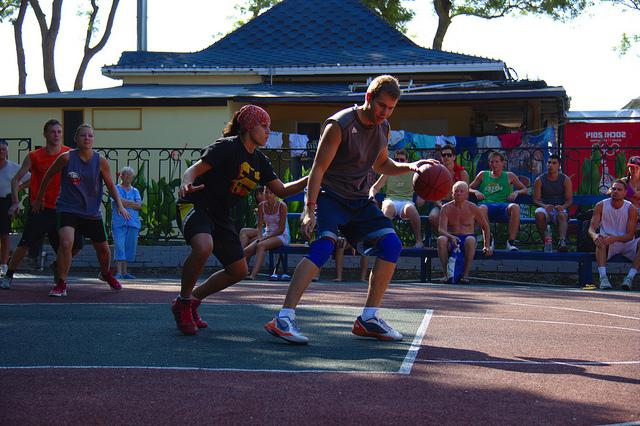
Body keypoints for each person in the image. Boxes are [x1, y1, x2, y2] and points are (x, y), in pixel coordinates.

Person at [264, 74, 430, 344]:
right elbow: (318, 169)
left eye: (390, 108)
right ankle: (284, 317)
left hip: (359, 199)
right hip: (330, 195)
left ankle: (369, 318)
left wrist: (411, 166)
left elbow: (381, 165)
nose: (384, 113)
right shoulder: (339, 125)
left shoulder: (383, 128)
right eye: (381, 106)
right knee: (325, 246)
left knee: (391, 245)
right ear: (368, 98)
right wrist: (309, 208)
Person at [174, 104, 307, 336]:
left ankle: (194, 299)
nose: (268, 131)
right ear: (247, 127)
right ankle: (183, 302)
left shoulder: (260, 161)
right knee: (204, 246)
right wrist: (186, 183)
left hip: (221, 215)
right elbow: (194, 170)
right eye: (263, 126)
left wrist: (313, 175)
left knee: (238, 270)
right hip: (196, 204)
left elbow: (282, 190)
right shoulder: (227, 147)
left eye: (270, 127)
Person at [33, 124, 131, 297]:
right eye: (83, 136)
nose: (87, 138)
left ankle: (105, 274)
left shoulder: (100, 161)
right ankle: (62, 283)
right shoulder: (66, 158)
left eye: (90, 136)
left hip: (91, 212)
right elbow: (47, 176)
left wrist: (120, 205)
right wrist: (39, 198)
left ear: (93, 139)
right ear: (76, 139)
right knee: (66, 243)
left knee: (103, 250)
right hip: (68, 209)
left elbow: (110, 185)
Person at [1, 120, 82, 290]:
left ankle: (56, 266)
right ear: (45, 134)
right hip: (41, 208)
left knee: (75, 245)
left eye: (59, 131)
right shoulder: (34, 156)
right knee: (25, 244)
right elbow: (16, 179)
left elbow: (78, 177)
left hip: (62, 209)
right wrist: (16, 201)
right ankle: (8, 275)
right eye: (53, 132)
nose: (57, 135)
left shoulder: (70, 154)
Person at [469, 151, 528, 251]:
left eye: (497, 162)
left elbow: (525, 189)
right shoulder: (483, 174)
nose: (494, 164)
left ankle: (510, 242)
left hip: (503, 207)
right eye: (492, 162)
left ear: (502, 163)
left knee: (515, 207)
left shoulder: (509, 176)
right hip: (487, 205)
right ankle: (488, 240)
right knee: (481, 208)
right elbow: (469, 188)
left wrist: (516, 193)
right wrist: (475, 191)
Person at [437, 181, 493, 284]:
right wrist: (451, 237)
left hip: (467, 238)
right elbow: (441, 229)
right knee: (441, 239)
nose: (458, 193)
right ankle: (446, 275)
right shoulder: (446, 208)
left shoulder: (472, 207)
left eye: (461, 191)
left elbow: (485, 226)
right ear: (452, 193)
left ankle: (465, 275)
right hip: (451, 239)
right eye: (456, 191)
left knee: (471, 240)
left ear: (467, 194)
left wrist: (487, 245)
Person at [588, 179, 639, 290]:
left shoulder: (631, 208)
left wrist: (615, 238)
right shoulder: (600, 205)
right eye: (613, 189)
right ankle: (603, 278)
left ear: (625, 193)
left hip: (626, 243)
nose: (615, 191)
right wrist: (595, 236)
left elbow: (630, 235)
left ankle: (629, 278)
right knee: (600, 240)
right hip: (608, 242)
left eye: (619, 189)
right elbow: (591, 229)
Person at [370, 149, 425, 248]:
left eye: (402, 160)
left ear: (407, 161)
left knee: (412, 209)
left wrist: (421, 195)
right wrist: (371, 196)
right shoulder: (388, 171)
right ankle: (385, 240)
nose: (399, 162)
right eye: (397, 159)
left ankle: (419, 241)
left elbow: (423, 185)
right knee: (388, 208)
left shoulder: (413, 172)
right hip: (391, 200)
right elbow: (375, 188)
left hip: (406, 202)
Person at [243, 185, 290, 280]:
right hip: (267, 234)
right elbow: (260, 226)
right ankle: (241, 273)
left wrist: (263, 239)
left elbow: (281, 229)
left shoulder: (282, 206)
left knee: (261, 245)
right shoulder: (261, 206)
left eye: (270, 193)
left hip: (281, 235)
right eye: (266, 192)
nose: (268, 195)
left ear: (275, 194)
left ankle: (253, 275)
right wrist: (260, 237)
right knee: (245, 251)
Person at [532, 154, 572, 252]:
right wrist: (544, 206)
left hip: (559, 208)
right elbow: (536, 200)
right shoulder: (540, 180)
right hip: (545, 207)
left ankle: (562, 242)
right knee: (539, 214)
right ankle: (546, 241)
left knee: (562, 215)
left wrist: (562, 207)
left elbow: (569, 200)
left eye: (554, 163)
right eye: (549, 162)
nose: (551, 165)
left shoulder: (565, 179)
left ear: (559, 166)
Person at [0, 140, 28, 278]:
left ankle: (4, 265)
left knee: (4, 235)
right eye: (0, 149)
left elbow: (31, 178)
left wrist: (18, 188)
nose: (1, 152)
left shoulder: (14, 167)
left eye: (4, 149)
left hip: (5, 201)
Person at [428, 144, 469, 231]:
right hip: (440, 203)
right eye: (443, 155)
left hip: (457, 203)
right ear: (441, 158)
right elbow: (432, 193)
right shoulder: (436, 172)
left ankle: (454, 236)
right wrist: (439, 204)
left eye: (449, 155)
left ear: (454, 157)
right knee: (433, 216)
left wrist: (455, 204)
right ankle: (446, 236)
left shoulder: (462, 173)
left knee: (459, 217)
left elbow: (465, 194)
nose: (446, 157)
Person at [111, 166, 142, 279]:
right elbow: (117, 200)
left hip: (133, 223)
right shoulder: (116, 188)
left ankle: (125, 272)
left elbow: (139, 206)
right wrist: (130, 203)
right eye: (126, 175)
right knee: (119, 246)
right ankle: (118, 272)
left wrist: (123, 202)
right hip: (119, 222)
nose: (129, 177)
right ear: (121, 176)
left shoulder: (135, 191)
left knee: (129, 247)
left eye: (130, 175)